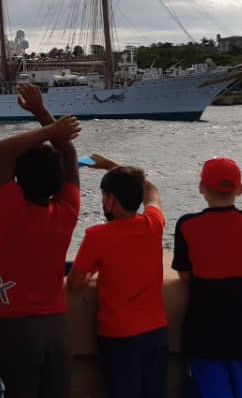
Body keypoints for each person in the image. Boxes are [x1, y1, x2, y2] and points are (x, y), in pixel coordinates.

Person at [0, 83, 81, 398]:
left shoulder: (14, 211)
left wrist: (51, 125)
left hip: (13, 326)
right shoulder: (67, 210)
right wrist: (43, 115)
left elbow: (3, 150)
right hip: (57, 326)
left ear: (19, 180)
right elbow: (68, 153)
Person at [68, 157, 168, 398]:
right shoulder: (154, 224)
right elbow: (151, 190)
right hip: (156, 331)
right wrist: (114, 168)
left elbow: (75, 283)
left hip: (119, 336)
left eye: (104, 196)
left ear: (111, 199)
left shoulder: (97, 236)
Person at [173, 158, 242, 398]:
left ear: (201, 188)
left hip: (204, 337)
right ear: (239, 189)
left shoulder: (187, 225)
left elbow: (185, 276)